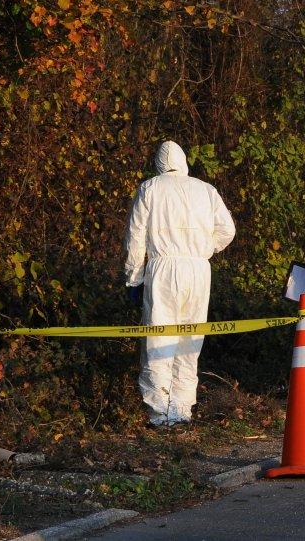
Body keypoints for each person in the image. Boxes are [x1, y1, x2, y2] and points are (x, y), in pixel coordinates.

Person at [124, 141, 236, 427]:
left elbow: (135, 237)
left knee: (160, 339)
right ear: (185, 161)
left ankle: (160, 413)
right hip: (199, 270)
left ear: (159, 163)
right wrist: (203, 249)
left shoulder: (150, 188)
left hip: (163, 268)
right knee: (190, 339)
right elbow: (228, 230)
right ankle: (182, 410)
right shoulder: (205, 189)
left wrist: (134, 277)